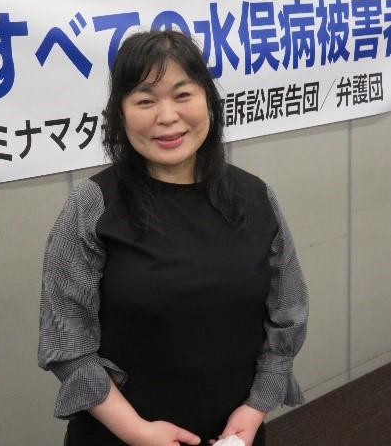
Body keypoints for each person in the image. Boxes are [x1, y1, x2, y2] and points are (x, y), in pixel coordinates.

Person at [38, 29, 308, 446]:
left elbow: (287, 314)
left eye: (183, 94)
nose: (167, 117)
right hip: (121, 436)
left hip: (232, 434)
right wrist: (138, 432)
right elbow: (66, 340)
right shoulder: (92, 204)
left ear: (209, 101)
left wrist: (256, 407)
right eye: (145, 100)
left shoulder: (255, 196)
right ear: (120, 113)